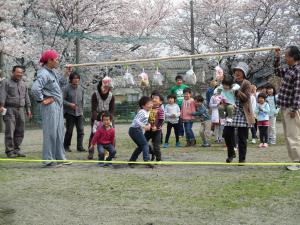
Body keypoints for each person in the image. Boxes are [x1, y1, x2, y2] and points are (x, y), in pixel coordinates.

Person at [31, 50, 72, 166]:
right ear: (49, 60)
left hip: (58, 105)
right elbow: (35, 89)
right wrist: (42, 100)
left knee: (59, 132)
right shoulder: (43, 73)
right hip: (50, 106)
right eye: (56, 59)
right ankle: (48, 159)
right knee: (51, 133)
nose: (58, 61)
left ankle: (60, 157)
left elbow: (60, 84)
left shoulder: (51, 72)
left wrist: (66, 74)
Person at [222, 62, 255, 163]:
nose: (237, 73)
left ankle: (242, 159)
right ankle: (231, 153)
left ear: (244, 73)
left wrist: (236, 92)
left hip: (242, 112)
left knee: (242, 137)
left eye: (240, 71)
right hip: (231, 111)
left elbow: (246, 98)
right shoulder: (231, 81)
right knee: (227, 133)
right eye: (236, 71)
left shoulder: (246, 83)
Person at [275, 46, 300, 171]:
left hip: (292, 108)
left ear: (293, 57)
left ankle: (297, 161)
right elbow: (277, 71)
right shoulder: (290, 69)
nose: (285, 58)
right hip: (285, 107)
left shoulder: (297, 71)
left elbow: (298, 92)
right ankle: (294, 160)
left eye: (286, 56)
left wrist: (294, 109)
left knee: (293, 135)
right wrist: (277, 57)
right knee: (288, 135)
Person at [0, 66, 32, 158]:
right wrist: (1, 105)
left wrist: (28, 109)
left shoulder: (23, 84)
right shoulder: (5, 82)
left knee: (20, 130)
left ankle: (17, 149)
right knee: (10, 131)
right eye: (18, 72)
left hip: (21, 109)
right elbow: (2, 94)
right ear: (12, 72)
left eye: (21, 73)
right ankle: (9, 151)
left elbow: (26, 97)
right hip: (9, 109)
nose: (20, 74)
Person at [88, 78, 115, 159]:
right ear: (100, 86)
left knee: (110, 134)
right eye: (103, 87)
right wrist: (99, 118)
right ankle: (91, 152)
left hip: (108, 117)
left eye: (106, 87)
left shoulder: (111, 96)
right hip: (97, 118)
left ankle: (109, 153)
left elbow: (112, 110)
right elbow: (93, 109)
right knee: (94, 135)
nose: (104, 89)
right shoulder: (95, 95)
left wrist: (108, 118)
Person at [128, 96, 153, 168]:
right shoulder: (142, 111)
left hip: (137, 130)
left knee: (141, 146)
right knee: (145, 144)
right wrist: (144, 126)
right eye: (149, 103)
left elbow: (145, 121)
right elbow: (136, 120)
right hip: (134, 130)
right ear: (143, 106)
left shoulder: (148, 112)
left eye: (151, 103)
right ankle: (146, 160)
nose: (151, 104)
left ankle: (132, 161)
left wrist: (148, 125)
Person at [63, 72, 85, 152]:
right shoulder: (66, 88)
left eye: (77, 78)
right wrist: (69, 104)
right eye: (74, 78)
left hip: (79, 113)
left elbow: (82, 101)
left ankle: (80, 146)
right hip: (69, 113)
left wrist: (82, 111)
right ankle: (66, 146)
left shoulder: (81, 89)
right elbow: (62, 100)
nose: (76, 80)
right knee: (69, 131)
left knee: (81, 130)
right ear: (71, 79)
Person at [146, 93, 165, 161]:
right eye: (153, 98)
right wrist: (146, 124)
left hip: (157, 131)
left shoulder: (160, 110)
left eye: (156, 98)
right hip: (148, 130)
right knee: (143, 143)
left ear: (160, 102)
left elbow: (161, 120)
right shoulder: (148, 109)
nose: (154, 99)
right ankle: (152, 152)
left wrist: (156, 127)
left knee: (156, 146)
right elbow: (145, 118)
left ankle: (158, 159)